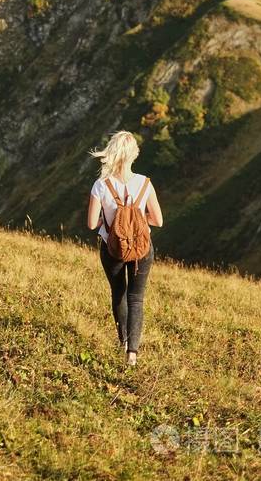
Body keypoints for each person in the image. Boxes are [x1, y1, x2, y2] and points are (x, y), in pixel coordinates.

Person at [87, 130, 163, 367]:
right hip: (142, 248)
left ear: (112, 153)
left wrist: (108, 222)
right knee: (137, 298)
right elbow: (158, 220)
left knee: (119, 294)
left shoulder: (101, 185)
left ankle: (123, 342)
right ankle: (133, 354)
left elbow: (91, 224)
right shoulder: (145, 184)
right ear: (134, 155)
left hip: (113, 249)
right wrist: (137, 223)